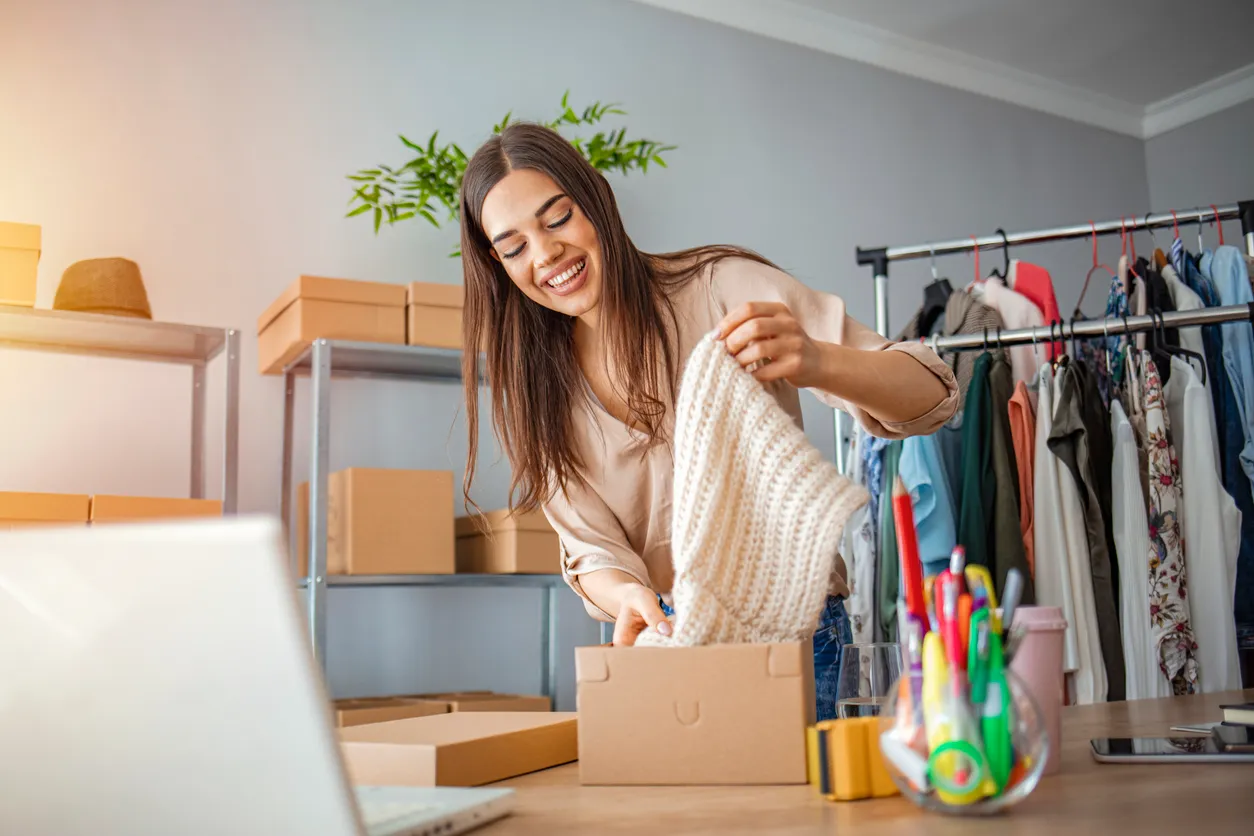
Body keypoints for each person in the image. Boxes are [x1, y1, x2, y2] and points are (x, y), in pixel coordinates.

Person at [457, 122, 957, 719]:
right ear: (497, 263)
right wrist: (629, 597)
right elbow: (589, 549)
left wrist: (819, 360)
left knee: (808, 816)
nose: (545, 255)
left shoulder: (721, 289)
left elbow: (933, 393)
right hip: (666, 650)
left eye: (557, 218)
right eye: (514, 248)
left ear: (595, 200)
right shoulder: (538, 388)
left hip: (796, 637)